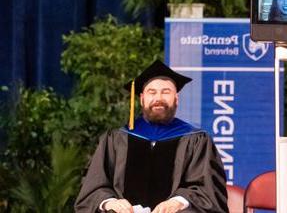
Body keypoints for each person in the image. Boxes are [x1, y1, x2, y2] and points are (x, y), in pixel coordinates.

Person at [75, 60, 228, 213]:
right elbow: (93, 187)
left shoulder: (197, 140)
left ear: (176, 98)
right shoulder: (116, 139)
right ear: (142, 98)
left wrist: (179, 202)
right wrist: (110, 202)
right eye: (152, 92)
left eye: (166, 92)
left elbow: (208, 191)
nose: (158, 98)